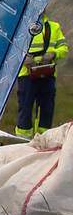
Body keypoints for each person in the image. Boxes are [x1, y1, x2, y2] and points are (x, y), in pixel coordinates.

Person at [15, 11, 68, 139]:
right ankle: (23, 141)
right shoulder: (21, 27)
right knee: (25, 108)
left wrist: (53, 54)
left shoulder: (54, 27)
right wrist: (23, 59)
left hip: (47, 74)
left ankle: (43, 139)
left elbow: (64, 48)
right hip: (26, 74)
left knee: (46, 109)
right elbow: (13, 48)